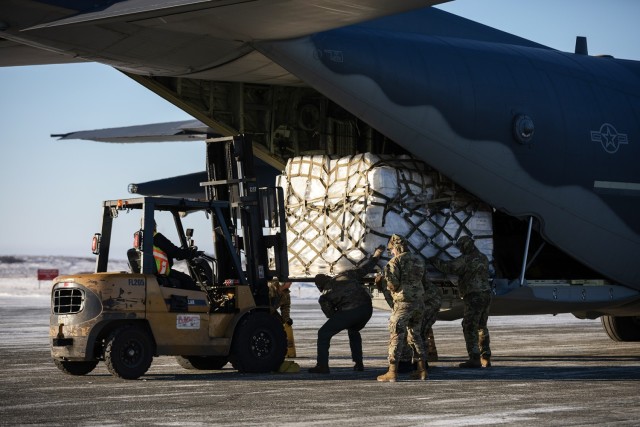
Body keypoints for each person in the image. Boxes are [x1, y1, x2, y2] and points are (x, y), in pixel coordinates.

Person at [308, 246, 385, 374]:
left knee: (323, 333)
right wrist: (377, 255)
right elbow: (365, 268)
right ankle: (358, 363)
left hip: (350, 312)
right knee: (353, 330)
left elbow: (331, 315)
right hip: (367, 309)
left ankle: (322, 365)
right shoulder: (346, 274)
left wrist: (341, 312)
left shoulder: (325, 296)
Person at [431, 235, 492, 368]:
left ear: (465, 246)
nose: (460, 250)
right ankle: (485, 357)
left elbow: (450, 267)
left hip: (473, 295)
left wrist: (435, 261)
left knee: (469, 326)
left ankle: (474, 358)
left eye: (461, 247)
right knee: (482, 326)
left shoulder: (466, 259)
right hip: (486, 293)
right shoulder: (483, 257)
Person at [376, 234, 428, 382]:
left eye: (391, 249)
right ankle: (422, 370)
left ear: (396, 247)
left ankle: (392, 372)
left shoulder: (395, 262)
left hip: (403, 303)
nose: (391, 252)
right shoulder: (419, 260)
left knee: (396, 335)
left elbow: (393, 285)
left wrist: (382, 282)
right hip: (418, 302)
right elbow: (424, 281)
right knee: (415, 336)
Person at [149, 221, 200, 290]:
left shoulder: (141, 238)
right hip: (161, 273)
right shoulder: (157, 237)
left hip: (151, 273)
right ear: (154, 226)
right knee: (188, 280)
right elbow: (175, 252)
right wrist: (191, 253)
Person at [268, 280, 296, 357]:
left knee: (280, 325)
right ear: (282, 282)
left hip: (271, 312)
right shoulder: (270, 288)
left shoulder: (286, 294)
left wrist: (287, 319)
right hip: (261, 312)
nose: (291, 283)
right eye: (289, 281)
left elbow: (285, 307)